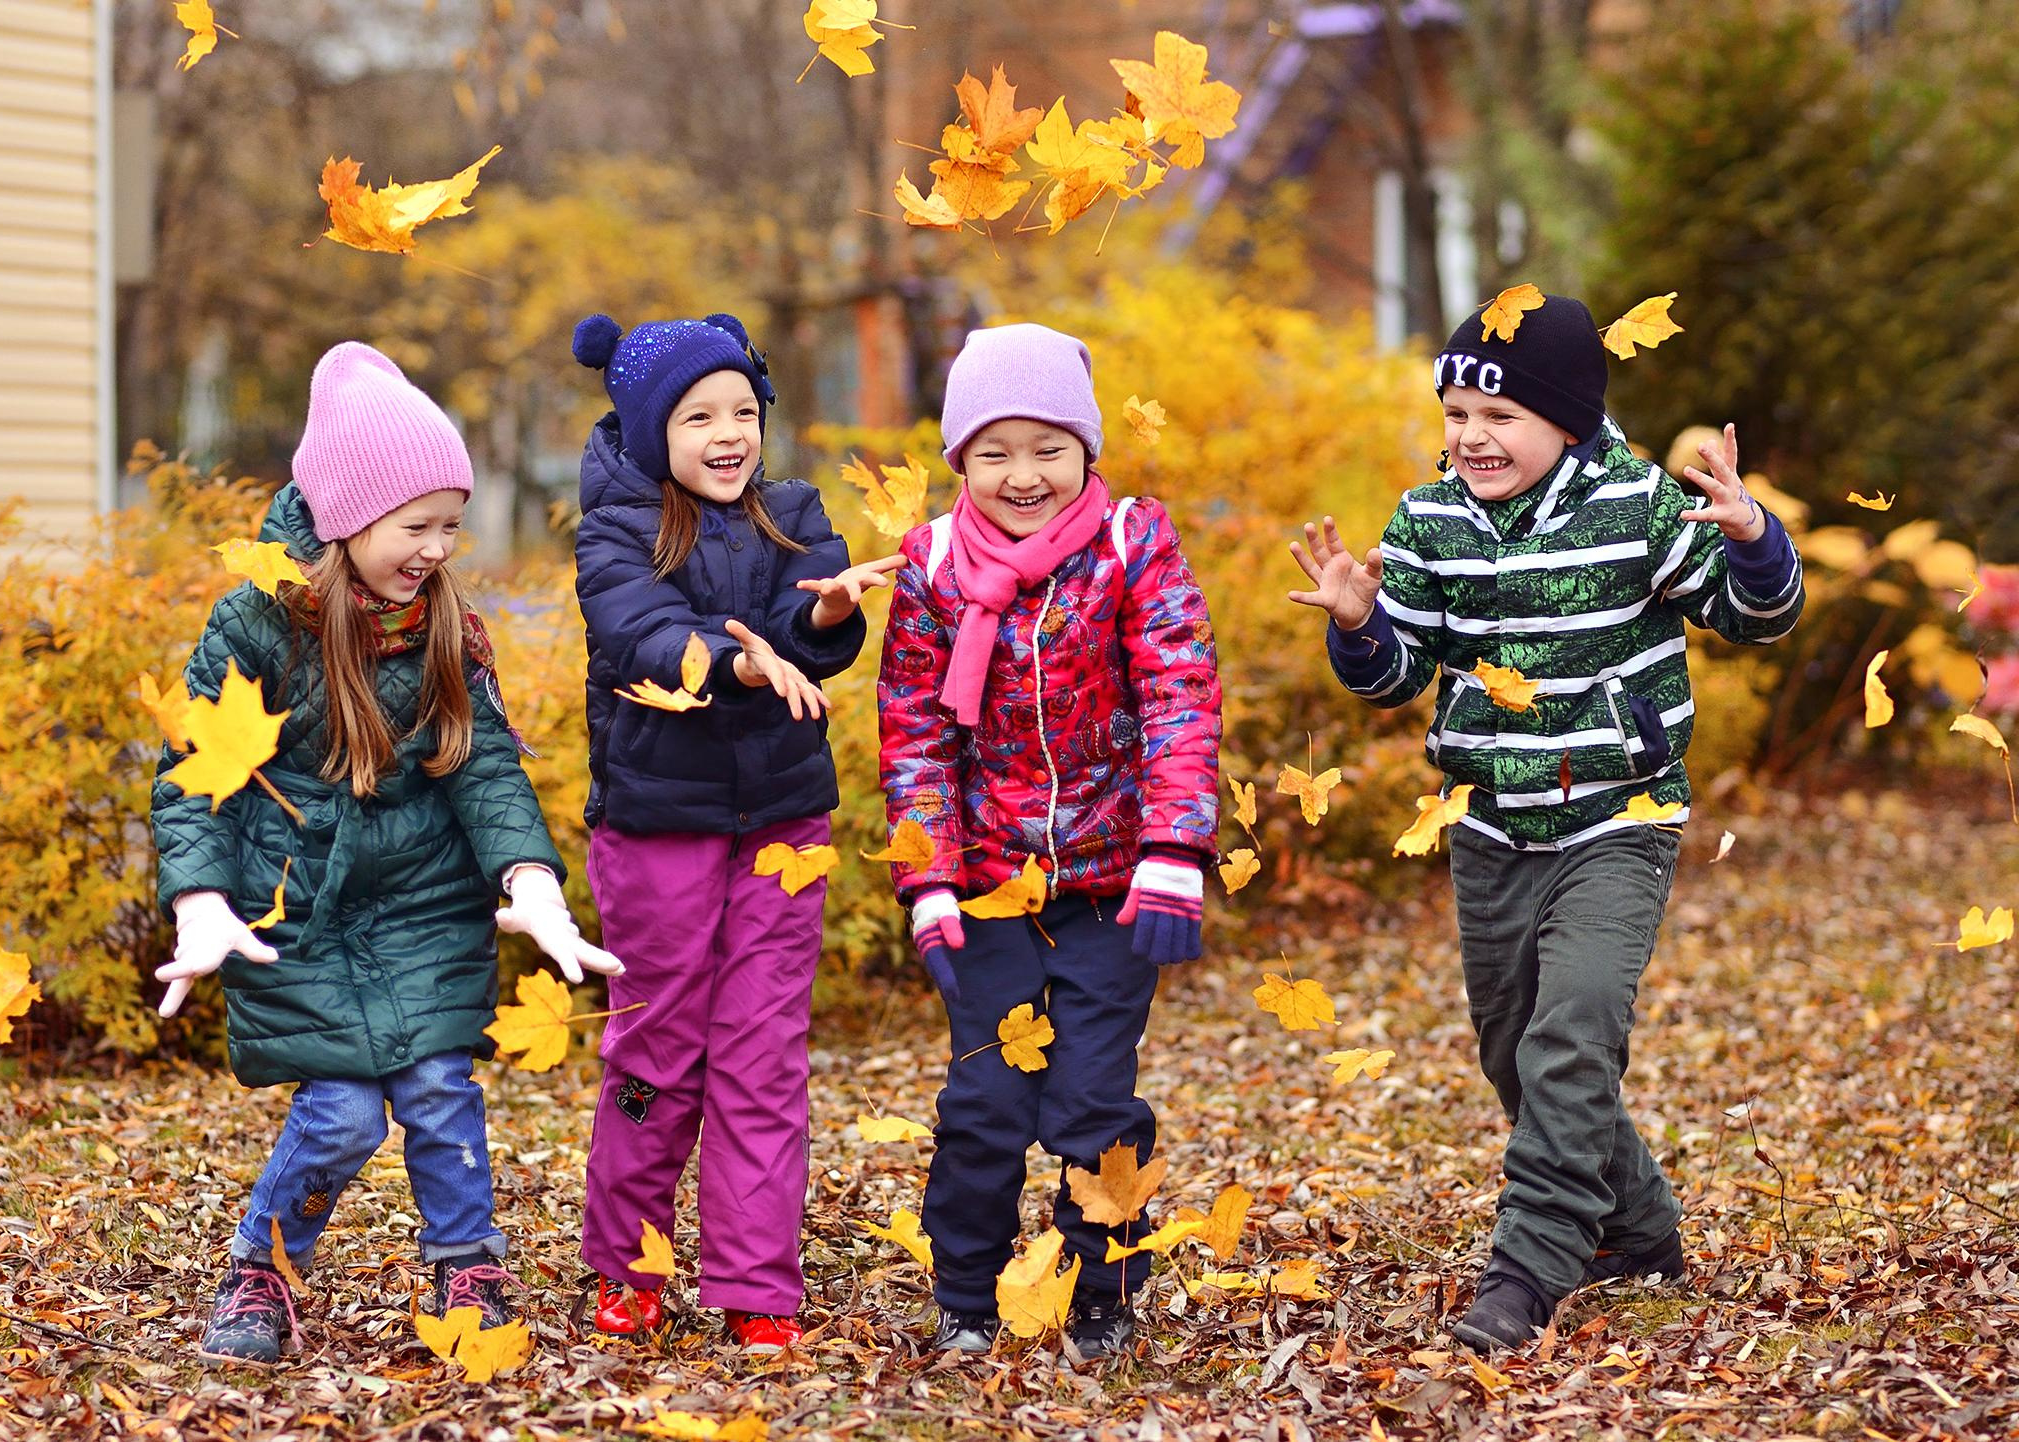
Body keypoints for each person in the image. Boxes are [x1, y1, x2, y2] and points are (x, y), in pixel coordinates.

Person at [1289, 293, 1804, 1351]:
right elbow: (1397, 674)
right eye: (1456, 415)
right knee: (1513, 1052)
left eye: (1501, 416)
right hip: (1490, 821)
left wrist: (1753, 538)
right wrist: (1356, 621)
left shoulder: (1640, 507)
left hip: (1621, 814)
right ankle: (1644, 1228)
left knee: (1572, 1031)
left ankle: (1529, 1264)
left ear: (1567, 419)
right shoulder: (1427, 519)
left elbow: (1756, 617)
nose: (1472, 437)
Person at [151, 341, 622, 1366]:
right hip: (300, 915)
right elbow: (198, 774)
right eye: (419, 525)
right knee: (342, 1112)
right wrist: (197, 899)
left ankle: (468, 1264)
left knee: (441, 1089)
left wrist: (531, 881)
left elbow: (484, 767)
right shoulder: (255, 625)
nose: (439, 547)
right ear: (347, 519)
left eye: (452, 524)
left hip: (423, 904)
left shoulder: (448, 624)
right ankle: (263, 1265)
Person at [876, 323, 1223, 1361]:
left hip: (1116, 885)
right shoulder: (934, 565)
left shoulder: (1130, 543)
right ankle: (967, 1294)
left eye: (1046, 448)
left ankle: (1103, 1289)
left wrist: (1175, 848)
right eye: (995, 451)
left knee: (1091, 1101)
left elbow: (1178, 690)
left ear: (1084, 447)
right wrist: (928, 877)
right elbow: (915, 730)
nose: (1022, 475)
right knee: (985, 1098)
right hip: (988, 887)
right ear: (961, 461)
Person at [568, 312, 897, 1353]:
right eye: (700, 414)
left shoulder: (794, 512)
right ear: (651, 427)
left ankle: (757, 1280)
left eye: (744, 411)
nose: (729, 432)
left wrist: (831, 618)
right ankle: (630, 1263)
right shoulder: (615, 529)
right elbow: (643, 633)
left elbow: (806, 628)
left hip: (783, 823)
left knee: (763, 1054)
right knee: (658, 1046)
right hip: (657, 821)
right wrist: (741, 661)